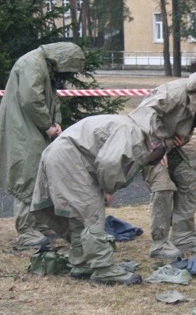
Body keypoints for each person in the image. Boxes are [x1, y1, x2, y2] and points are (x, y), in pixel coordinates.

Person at [30, 114, 167, 286]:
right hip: (70, 159)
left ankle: (81, 262)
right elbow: (109, 162)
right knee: (91, 214)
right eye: (149, 160)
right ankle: (104, 269)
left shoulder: (129, 127)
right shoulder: (132, 133)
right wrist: (108, 187)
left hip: (62, 155)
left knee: (78, 213)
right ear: (152, 147)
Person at [0, 42, 85, 250]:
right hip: (24, 130)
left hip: (30, 128)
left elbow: (46, 98)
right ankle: (26, 231)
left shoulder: (41, 64)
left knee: (39, 176)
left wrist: (54, 123)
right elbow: (31, 99)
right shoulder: (33, 63)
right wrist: (47, 125)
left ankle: (38, 223)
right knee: (27, 177)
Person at [127, 70, 196, 260]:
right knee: (163, 187)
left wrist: (179, 141)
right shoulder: (175, 93)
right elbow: (144, 113)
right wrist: (156, 146)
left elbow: (183, 128)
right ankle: (159, 244)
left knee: (188, 180)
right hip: (145, 143)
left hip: (167, 146)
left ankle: (184, 237)